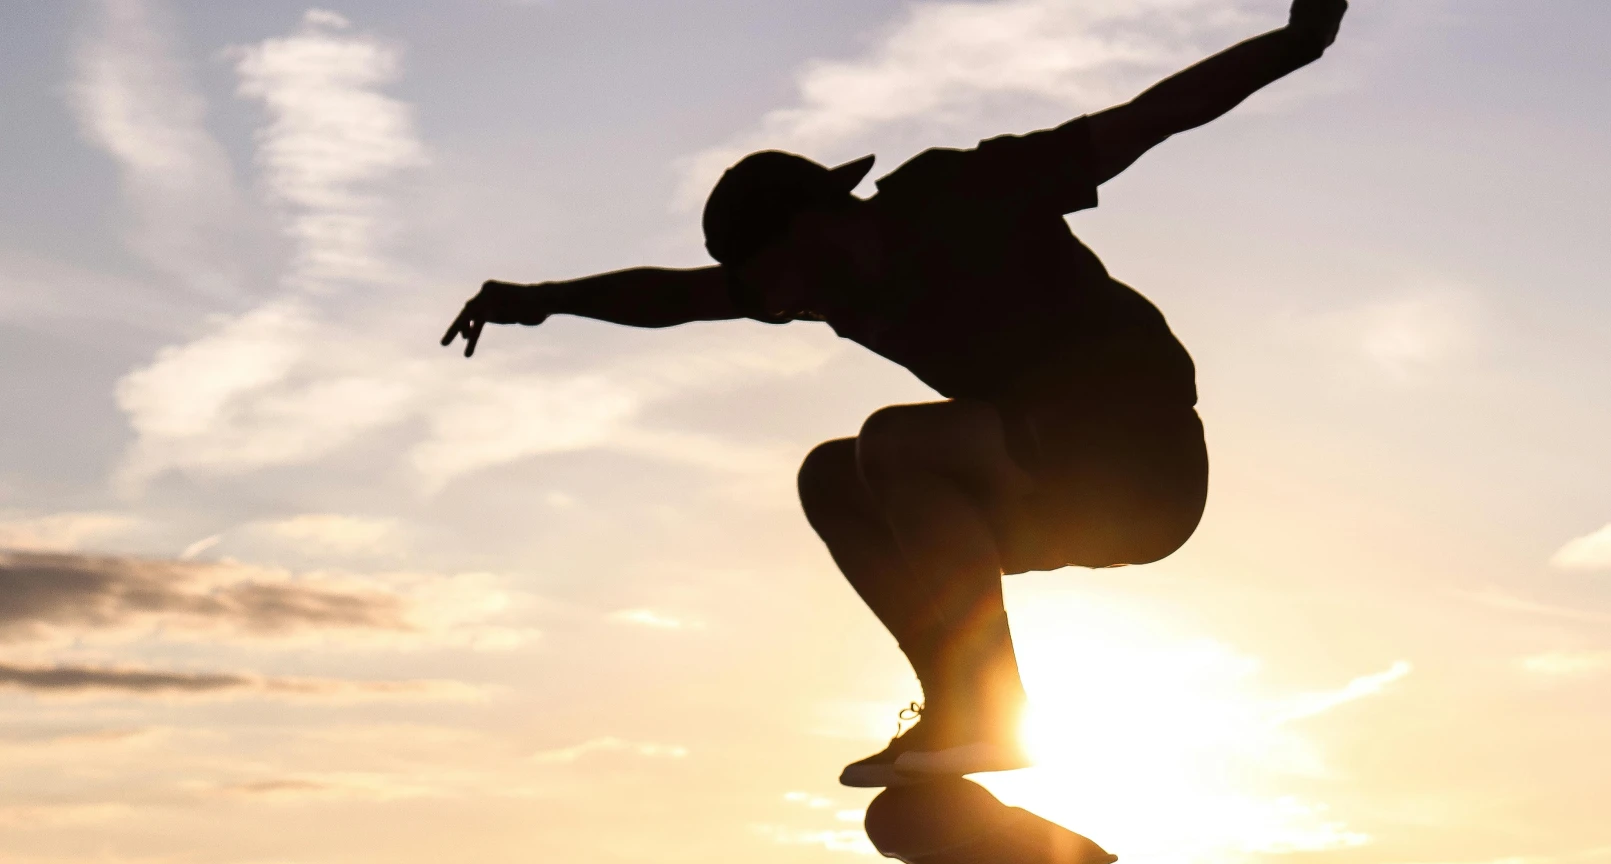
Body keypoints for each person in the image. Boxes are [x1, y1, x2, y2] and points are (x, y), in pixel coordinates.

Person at [444, 1, 1348, 786]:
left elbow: (1145, 121)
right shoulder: (817, 287)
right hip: (1052, 493)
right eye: (779, 300)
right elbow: (676, 297)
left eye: (793, 280)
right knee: (832, 478)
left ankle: (992, 707)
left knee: (893, 442)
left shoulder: (964, 192)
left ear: (822, 219)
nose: (799, 309)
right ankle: (957, 704)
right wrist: (544, 303)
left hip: (1139, 456)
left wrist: (1296, 41)